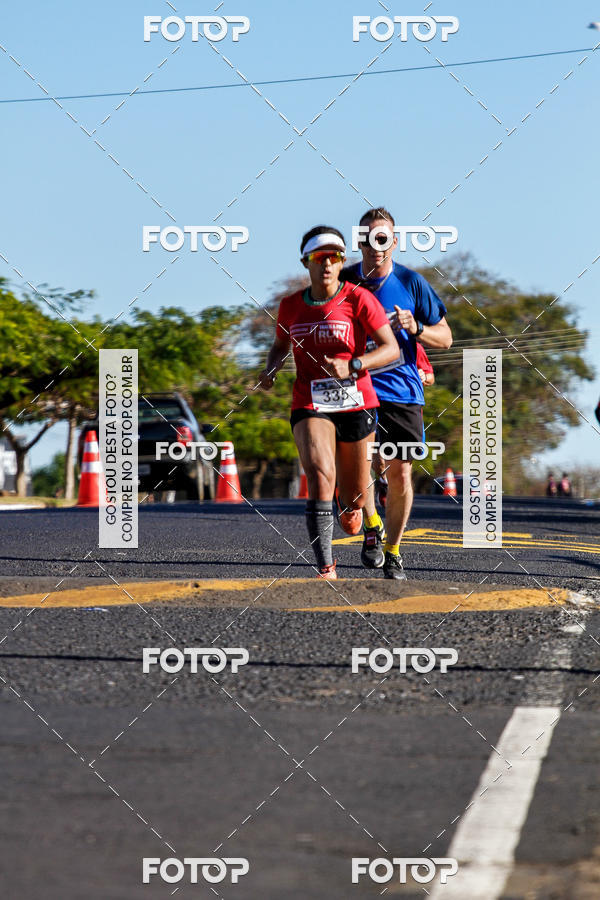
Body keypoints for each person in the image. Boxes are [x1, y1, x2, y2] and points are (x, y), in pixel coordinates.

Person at [258, 225, 400, 579]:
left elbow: (390, 349)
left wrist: (354, 364)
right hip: (310, 400)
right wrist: (270, 369)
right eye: (319, 258)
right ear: (306, 262)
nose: (327, 265)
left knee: (353, 497)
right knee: (320, 475)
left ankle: (369, 521)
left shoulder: (358, 299)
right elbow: (280, 345)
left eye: (334, 258)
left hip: (356, 402)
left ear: (341, 263)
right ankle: (326, 567)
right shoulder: (290, 305)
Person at [341, 207, 452, 579]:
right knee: (360, 471)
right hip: (355, 390)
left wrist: (416, 327)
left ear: (394, 241)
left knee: (401, 472)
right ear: (359, 242)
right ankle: (372, 525)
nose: (376, 246)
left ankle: (393, 551)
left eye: (383, 238)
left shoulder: (411, 282)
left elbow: (446, 338)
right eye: (369, 238)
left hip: (402, 393)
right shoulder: (341, 282)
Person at [374, 343, 435, 508]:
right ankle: (383, 481)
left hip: (407, 405)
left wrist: (424, 376)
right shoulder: (369, 342)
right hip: (376, 401)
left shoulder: (413, 346)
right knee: (377, 454)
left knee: (404, 463)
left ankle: (396, 491)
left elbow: (430, 376)